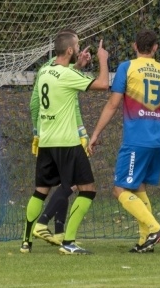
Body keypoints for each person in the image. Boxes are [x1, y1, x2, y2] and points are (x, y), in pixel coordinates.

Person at [88, 29, 160, 253]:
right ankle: (145, 242)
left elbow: (113, 104)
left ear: (134, 46)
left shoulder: (127, 67)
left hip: (136, 141)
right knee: (138, 187)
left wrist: (95, 133)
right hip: (158, 141)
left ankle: (154, 228)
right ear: (155, 48)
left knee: (120, 189)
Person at [23, 29, 109, 255]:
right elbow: (102, 84)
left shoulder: (45, 71)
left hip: (46, 141)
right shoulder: (68, 75)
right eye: (78, 46)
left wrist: (78, 66)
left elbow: (62, 79)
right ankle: (68, 242)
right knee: (87, 190)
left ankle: (25, 242)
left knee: (40, 191)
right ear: (70, 50)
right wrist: (103, 59)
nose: (80, 50)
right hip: (67, 142)